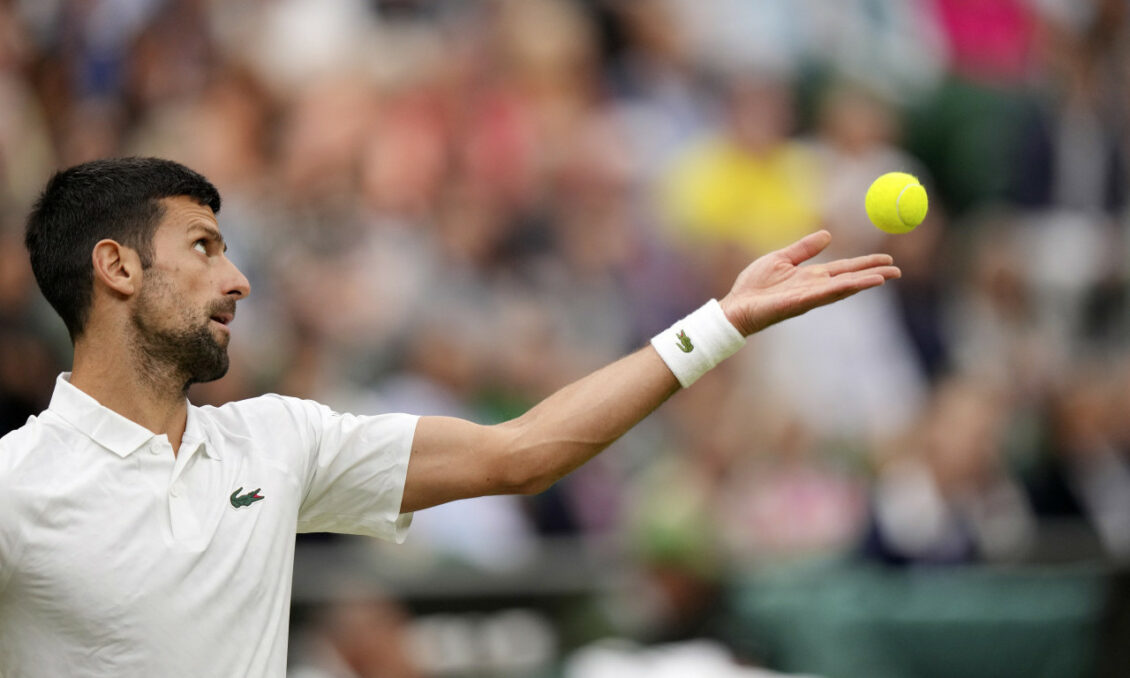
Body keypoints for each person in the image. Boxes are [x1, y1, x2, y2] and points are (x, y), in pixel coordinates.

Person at [0, 157, 900, 676]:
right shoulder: (16, 487)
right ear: (116, 269)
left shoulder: (276, 441)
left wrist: (722, 322)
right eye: (202, 248)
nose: (237, 279)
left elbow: (522, 452)